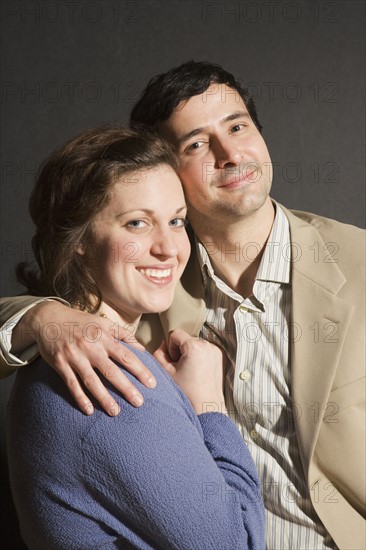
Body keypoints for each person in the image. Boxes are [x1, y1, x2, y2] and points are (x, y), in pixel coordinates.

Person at [1, 61, 365, 549]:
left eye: (238, 126)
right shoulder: (147, 282)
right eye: (197, 143)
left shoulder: (356, 264)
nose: (231, 153)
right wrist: (42, 318)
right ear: (165, 170)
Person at [5, 125, 265, 549]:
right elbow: (242, 544)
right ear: (79, 242)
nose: (168, 247)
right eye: (137, 223)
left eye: (177, 221)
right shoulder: (113, 379)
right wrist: (208, 406)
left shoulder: (67, 352)